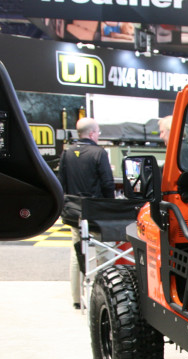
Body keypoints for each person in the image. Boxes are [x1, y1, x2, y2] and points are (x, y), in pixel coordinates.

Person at [59, 116, 114, 309]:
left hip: (73, 213)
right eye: (98, 132)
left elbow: (62, 183)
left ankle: (76, 299)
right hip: (96, 213)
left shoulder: (67, 153)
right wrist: (112, 208)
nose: (98, 135)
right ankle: (106, 296)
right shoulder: (99, 153)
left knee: (76, 253)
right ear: (91, 133)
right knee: (104, 252)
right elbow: (107, 184)